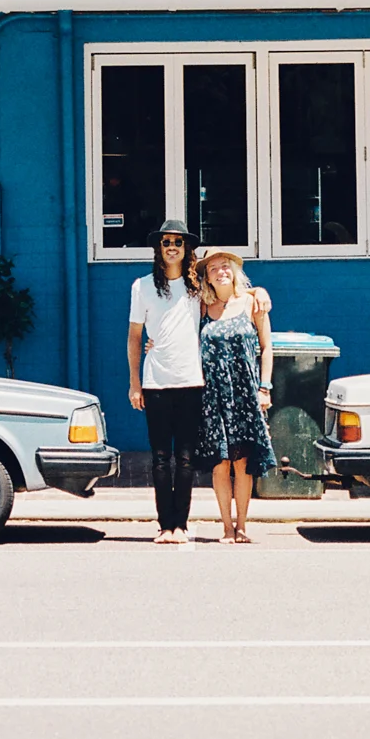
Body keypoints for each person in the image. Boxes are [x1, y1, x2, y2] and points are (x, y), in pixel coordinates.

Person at [127, 218, 203, 545]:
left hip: (190, 381)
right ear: (159, 248)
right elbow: (134, 337)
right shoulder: (142, 286)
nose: (172, 247)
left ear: (187, 248)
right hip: (155, 382)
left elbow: (231, 283)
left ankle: (181, 526)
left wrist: (259, 294)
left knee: (185, 458)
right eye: (166, 242)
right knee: (160, 458)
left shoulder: (197, 286)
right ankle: (164, 526)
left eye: (178, 242)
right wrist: (134, 383)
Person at [195, 246, 275, 544]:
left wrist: (264, 387)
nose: (221, 271)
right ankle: (226, 527)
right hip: (213, 395)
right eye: (214, 268)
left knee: (242, 462)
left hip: (245, 393)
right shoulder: (202, 309)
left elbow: (267, 348)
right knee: (220, 462)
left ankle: (242, 526)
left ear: (235, 271)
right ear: (207, 277)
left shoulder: (252, 303)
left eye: (225, 265)